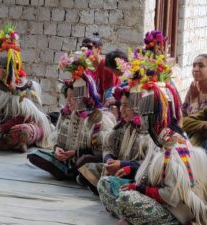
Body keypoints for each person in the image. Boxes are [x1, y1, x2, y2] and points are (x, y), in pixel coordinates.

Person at [98, 31, 207, 225]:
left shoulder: (174, 145)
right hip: (155, 198)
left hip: (176, 210)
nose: (143, 117)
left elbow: (171, 196)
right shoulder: (158, 140)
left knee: (126, 200)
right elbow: (147, 175)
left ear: (158, 115)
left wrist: (138, 189)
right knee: (108, 186)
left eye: (148, 113)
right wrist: (133, 182)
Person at [27, 49, 116, 181]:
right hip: (66, 160)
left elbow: (100, 150)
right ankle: (69, 170)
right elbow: (58, 139)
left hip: (83, 159)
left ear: (84, 97)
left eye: (73, 97)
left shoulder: (97, 118)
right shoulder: (66, 114)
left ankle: (75, 172)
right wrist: (58, 149)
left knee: (84, 162)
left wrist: (75, 153)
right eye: (67, 96)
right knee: (36, 155)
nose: (68, 101)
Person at [0, 24, 51, 152]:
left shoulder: (21, 87)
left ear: (8, 70)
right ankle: (11, 144)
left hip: (15, 127)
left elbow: (20, 117)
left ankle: (4, 142)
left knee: (23, 132)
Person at [78, 84, 149, 194]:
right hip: (117, 170)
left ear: (137, 106)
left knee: (106, 182)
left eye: (126, 106)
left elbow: (147, 164)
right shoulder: (122, 127)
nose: (121, 110)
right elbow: (108, 147)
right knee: (85, 168)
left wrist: (122, 164)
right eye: (121, 105)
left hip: (135, 175)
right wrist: (108, 160)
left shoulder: (147, 133)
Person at [82, 33, 122, 100]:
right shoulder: (86, 68)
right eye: (83, 48)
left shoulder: (106, 67)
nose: (85, 51)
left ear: (99, 49)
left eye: (89, 47)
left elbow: (108, 96)